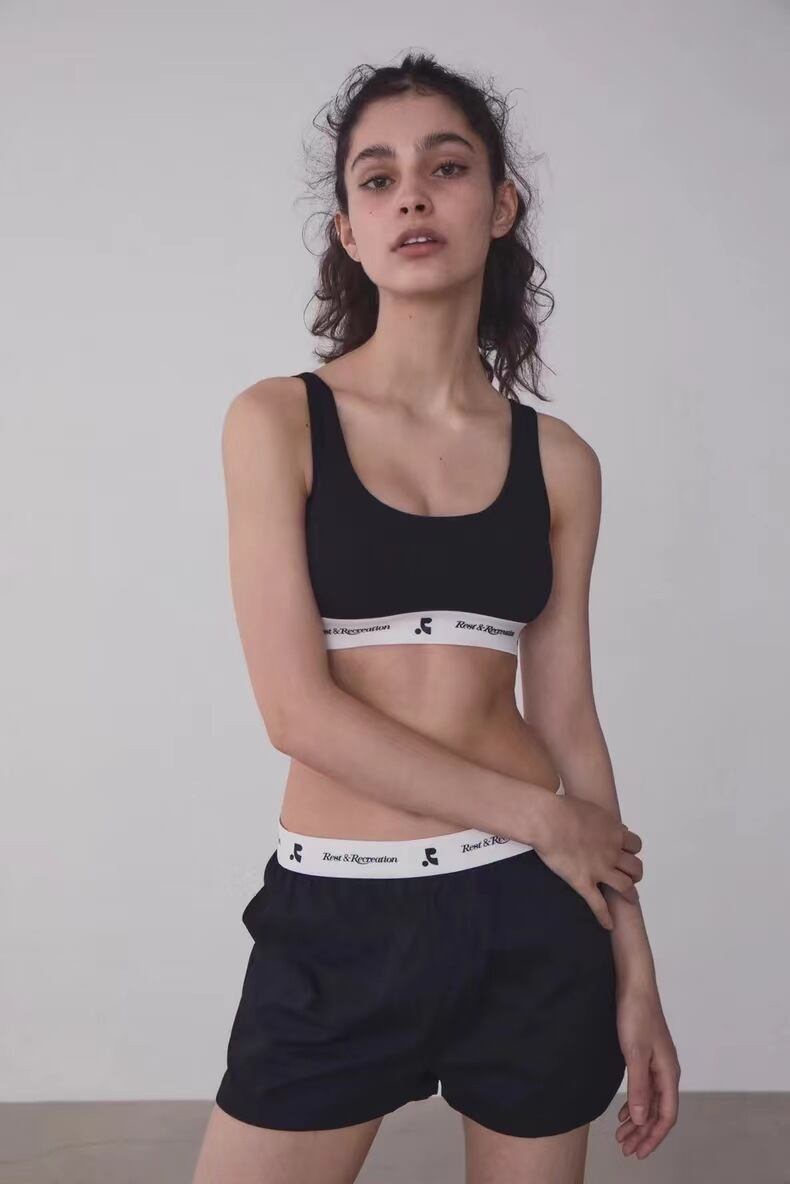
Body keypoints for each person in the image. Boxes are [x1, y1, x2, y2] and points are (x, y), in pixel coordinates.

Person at [191, 51, 679, 1184]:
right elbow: (296, 711)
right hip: (342, 917)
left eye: (446, 167)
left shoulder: (560, 461)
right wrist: (541, 816)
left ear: (500, 205)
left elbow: (569, 722)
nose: (411, 195)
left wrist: (635, 965)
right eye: (378, 178)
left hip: (533, 914)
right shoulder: (275, 422)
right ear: (349, 232)